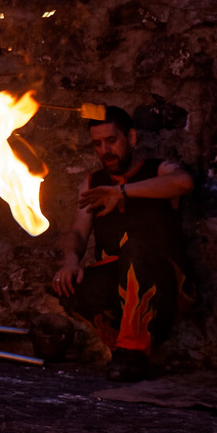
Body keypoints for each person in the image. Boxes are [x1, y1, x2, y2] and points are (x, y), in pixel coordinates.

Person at [52, 106, 194, 382]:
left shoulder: (158, 170)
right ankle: (122, 345)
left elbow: (183, 182)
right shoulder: (93, 183)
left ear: (130, 138)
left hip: (163, 284)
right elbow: (78, 233)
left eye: (111, 140)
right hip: (117, 284)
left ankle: (131, 353)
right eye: (97, 143)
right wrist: (70, 262)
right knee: (67, 285)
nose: (105, 150)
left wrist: (123, 192)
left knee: (136, 249)